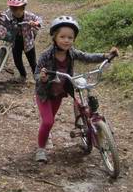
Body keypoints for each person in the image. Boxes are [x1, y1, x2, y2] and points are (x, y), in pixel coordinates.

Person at [33, 15, 118, 163]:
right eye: (63, 37)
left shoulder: (71, 52)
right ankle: (41, 149)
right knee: (47, 122)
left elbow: (87, 57)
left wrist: (106, 55)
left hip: (59, 93)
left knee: (53, 119)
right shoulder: (46, 55)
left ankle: (92, 128)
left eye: (70, 38)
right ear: (54, 37)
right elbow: (36, 73)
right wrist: (41, 77)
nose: (67, 40)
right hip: (45, 93)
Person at [0, 0, 42, 83]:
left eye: (16, 8)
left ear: (23, 7)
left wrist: (35, 23)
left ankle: (37, 77)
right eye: (12, 8)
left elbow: (38, 19)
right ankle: (23, 75)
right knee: (17, 61)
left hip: (28, 42)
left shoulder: (29, 16)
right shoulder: (9, 13)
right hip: (15, 42)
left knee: (32, 62)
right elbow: (3, 15)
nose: (14, 11)